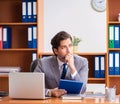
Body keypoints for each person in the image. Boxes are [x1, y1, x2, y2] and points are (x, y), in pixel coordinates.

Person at [32, 31, 89, 97]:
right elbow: (33, 87)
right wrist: (50, 92)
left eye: (70, 46)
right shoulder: (43, 63)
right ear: (56, 51)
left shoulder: (82, 62)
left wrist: (72, 68)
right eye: (64, 47)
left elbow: (83, 89)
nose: (69, 51)